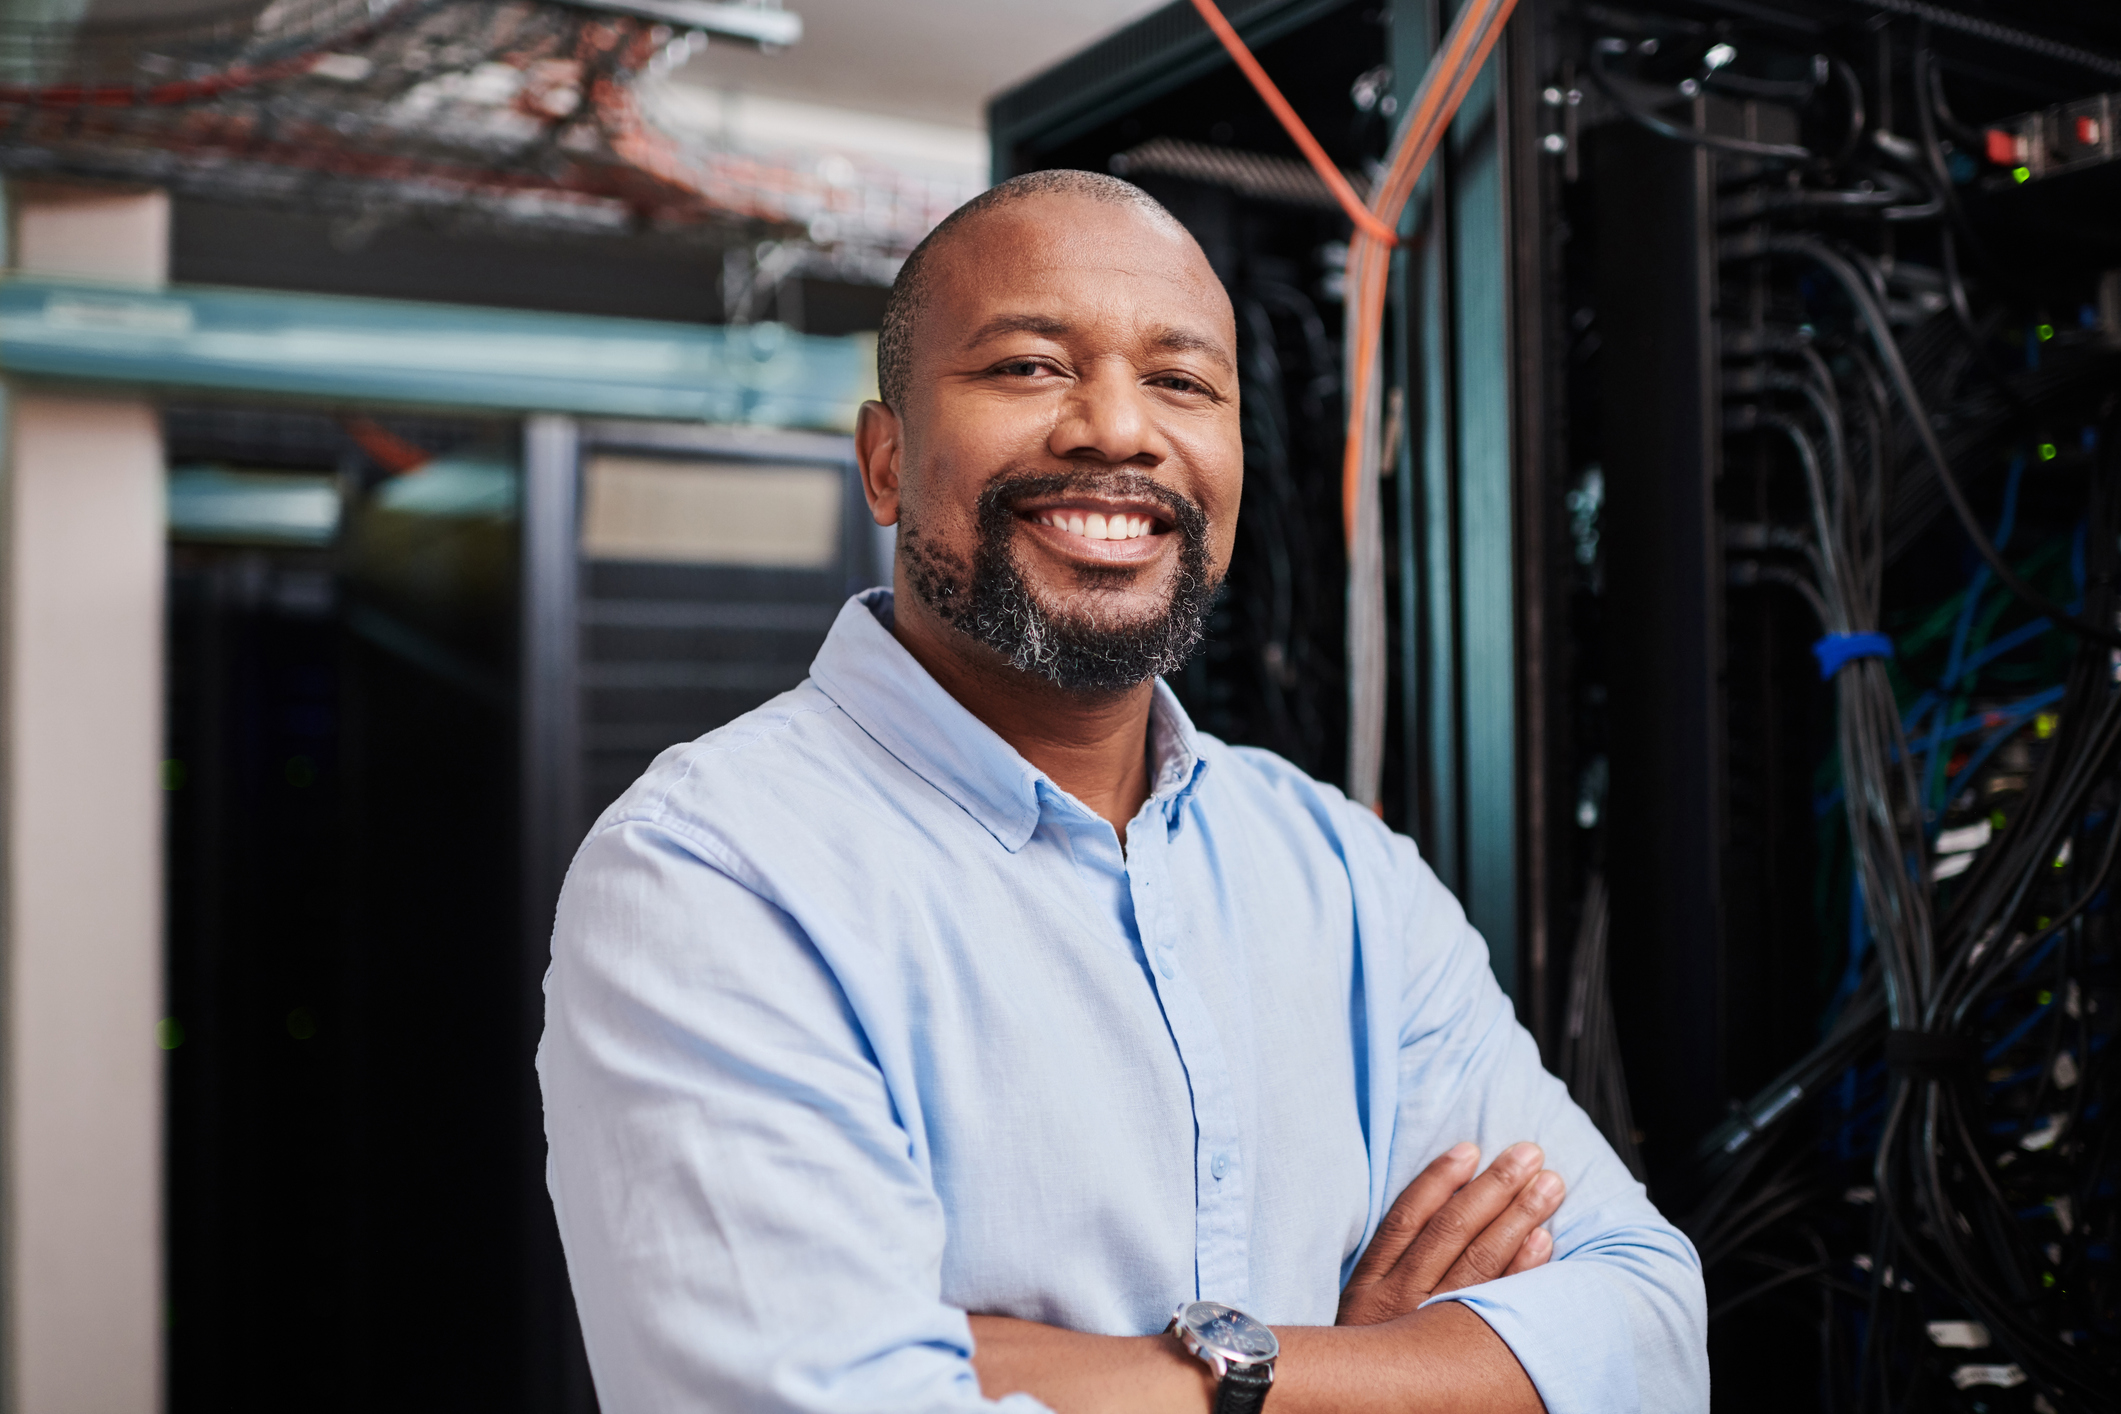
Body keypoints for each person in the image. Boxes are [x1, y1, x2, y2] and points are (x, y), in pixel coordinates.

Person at [539, 170, 1707, 1413]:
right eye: (1029, 366)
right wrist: (1389, 1371)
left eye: (1184, 382)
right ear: (885, 463)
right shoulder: (709, 876)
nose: (1116, 429)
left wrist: (1189, 1378)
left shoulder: (1347, 879)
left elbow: (1647, 1331)